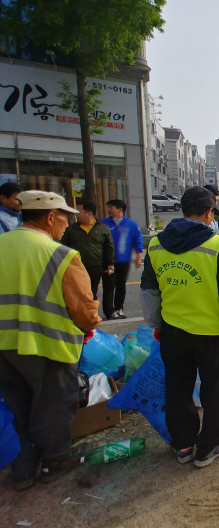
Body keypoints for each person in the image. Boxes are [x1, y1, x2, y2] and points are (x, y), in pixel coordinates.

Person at [0, 190, 101, 491]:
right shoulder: (60, 255)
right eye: (64, 218)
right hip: (46, 344)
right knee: (53, 404)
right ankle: (55, 460)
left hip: (3, 345)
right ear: (49, 217)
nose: (66, 224)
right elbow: (84, 308)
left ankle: (22, 467)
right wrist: (88, 327)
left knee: (18, 404)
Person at [140, 186, 219, 468]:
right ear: (210, 213)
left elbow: (148, 292)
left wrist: (156, 324)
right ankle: (208, 447)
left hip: (173, 332)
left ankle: (183, 444)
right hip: (210, 335)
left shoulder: (156, 245)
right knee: (213, 389)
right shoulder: (216, 246)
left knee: (177, 387)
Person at [60, 201, 114, 303]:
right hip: (76, 266)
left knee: (92, 292)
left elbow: (109, 247)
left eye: (79, 211)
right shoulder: (71, 229)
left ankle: (90, 312)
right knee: (77, 292)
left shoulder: (102, 228)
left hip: (95, 266)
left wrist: (110, 263)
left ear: (89, 213)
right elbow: (63, 246)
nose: (76, 215)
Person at [101, 199, 143, 320]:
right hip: (108, 261)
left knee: (121, 285)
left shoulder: (132, 225)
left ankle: (119, 309)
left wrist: (138, 258)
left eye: (111, 207)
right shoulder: (104, 224)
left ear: (120, 209)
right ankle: (109, 312)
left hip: (124, 261)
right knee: (109, 286)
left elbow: (138, 241)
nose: (108, 209)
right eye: (108, 207)